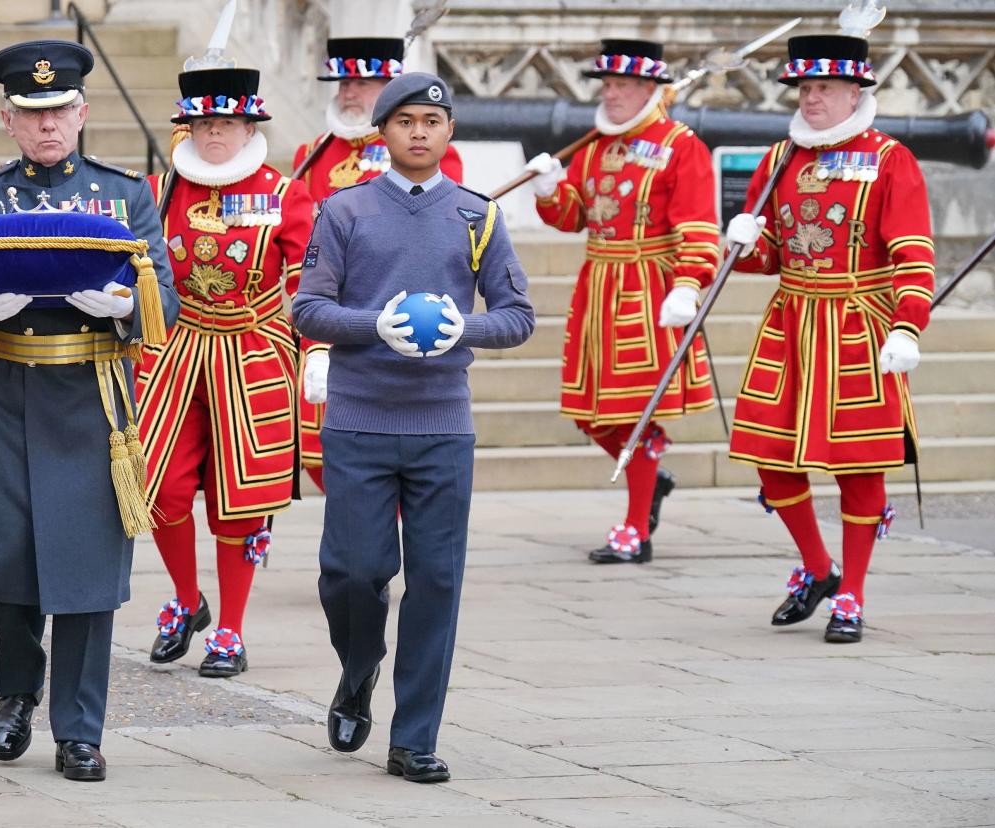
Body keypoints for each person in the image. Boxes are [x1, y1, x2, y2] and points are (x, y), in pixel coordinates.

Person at [0, 40, 178, 782]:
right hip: (10, 392)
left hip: (93, 394)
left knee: (85, 568)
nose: (48, 125)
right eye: (32, 114)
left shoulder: (126, 193)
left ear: (83, 113)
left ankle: (78, 729)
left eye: (61, 111)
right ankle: (14, 692)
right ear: (9, 120)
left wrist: (126, 303)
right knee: (11, 559)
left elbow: (162, 289)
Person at [293, 72, 535, 783]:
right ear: (383, 133)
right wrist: (379, 327)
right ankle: (359, 664)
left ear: (448, 130)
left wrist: (464, 325)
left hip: (441, 423)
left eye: (433, 119)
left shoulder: (476, 215)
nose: (420, 132)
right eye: (405, 122)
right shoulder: (345, 212)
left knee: (435, 580)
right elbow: (307, 308)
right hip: (359, 419)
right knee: (353, 571)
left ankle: (414, 738)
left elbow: (516, 315)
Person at [725, 34, 934, 643]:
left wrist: (906, 324)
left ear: (854, 91)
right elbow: (768, 254)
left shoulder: (891, 158)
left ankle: (853, 595)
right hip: (790, 321)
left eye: (823, 88)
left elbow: (914, 256)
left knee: (859, 463)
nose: (811, 98)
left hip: (858, 323)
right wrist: (742, 242)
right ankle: (818, 568)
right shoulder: (781, 156)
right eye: (804, 88)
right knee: (769, 456)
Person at [137, 66, 312, 676]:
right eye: (204, 122)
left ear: (248, 126)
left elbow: (309, 286)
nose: (215, 134)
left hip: (253, 353)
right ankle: (187, 601)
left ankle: (231, 631)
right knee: (157, 485)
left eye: (228, 123)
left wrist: (315, 350)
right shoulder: (158, 192)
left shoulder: (285, 193)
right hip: (176, 352)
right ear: (186, 127)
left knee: (241, 502)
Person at [525, 39, 720, 564]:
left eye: (622, 85)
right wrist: (550, 189)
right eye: (607, 84)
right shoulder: (594, 146)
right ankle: (649, 471)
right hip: (597, 287)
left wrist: (688, 284)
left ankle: (636, 528)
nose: (610, 94)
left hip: (648, 287)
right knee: (590, 411)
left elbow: (699, 228)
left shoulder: (682, 146)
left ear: (650, 89)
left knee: (632, 412)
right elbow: (575, 216)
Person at [293, 37, 464, 491]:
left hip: (404, 310)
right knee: (317, 449)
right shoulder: (313, 151)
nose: (350, 92)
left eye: (365, 82)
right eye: (345, 81)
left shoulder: (422, 150)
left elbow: (441, 229)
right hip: (330, 311)